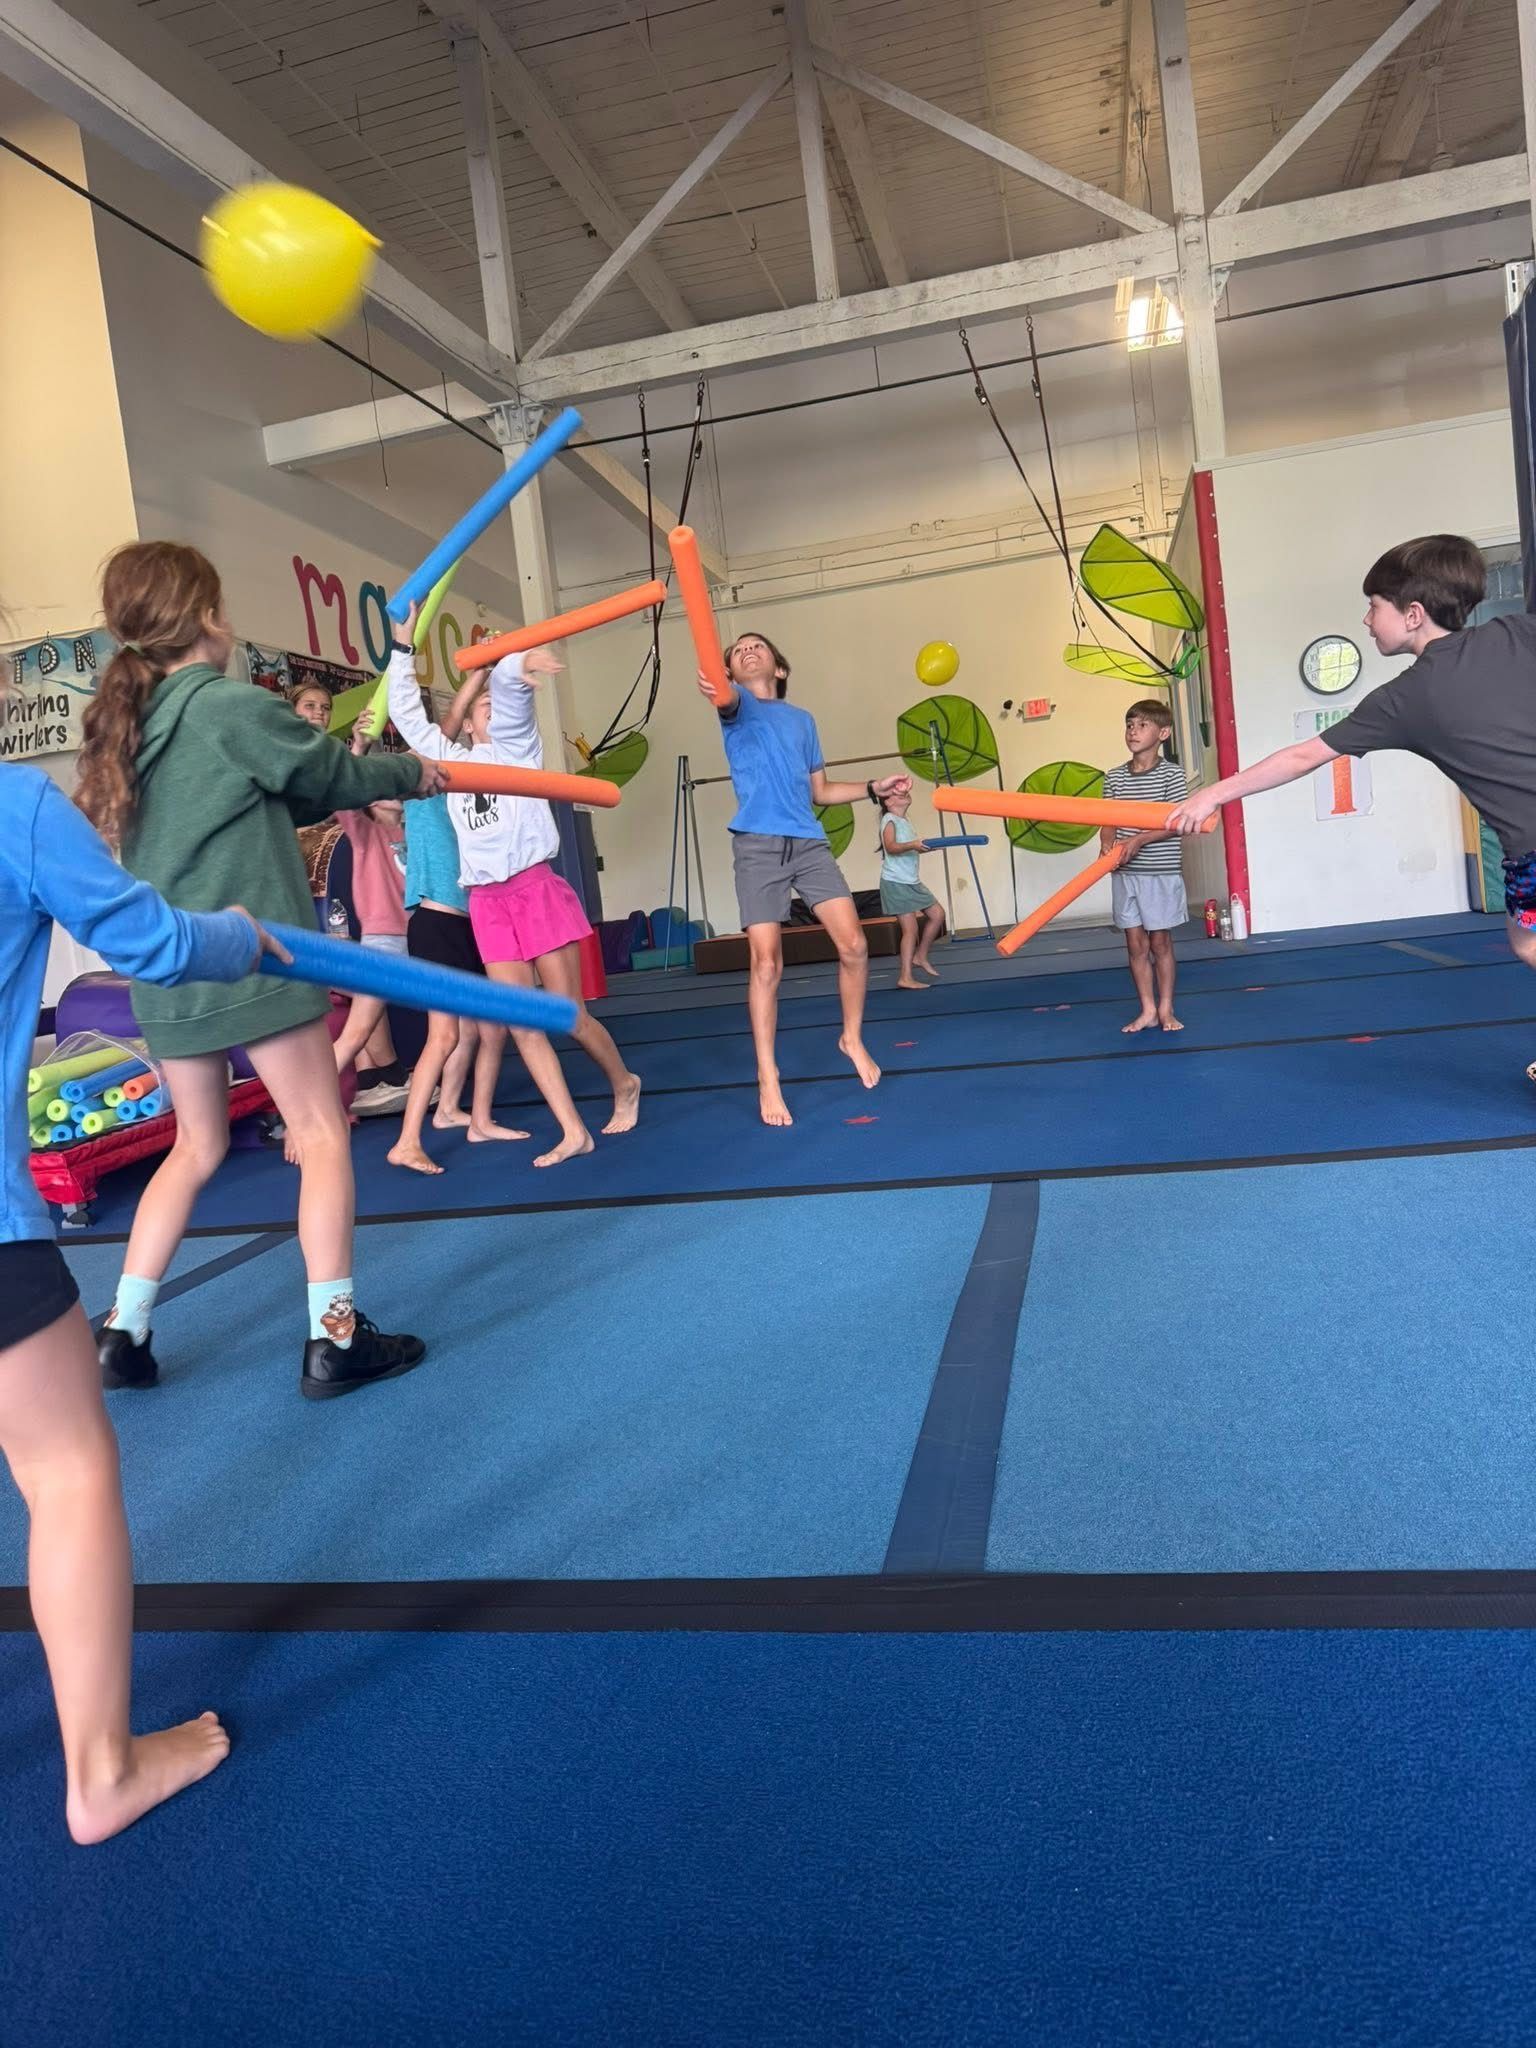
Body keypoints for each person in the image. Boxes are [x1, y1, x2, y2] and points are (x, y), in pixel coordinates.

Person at [74, 540, 443, 1400]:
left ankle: (122, 1329)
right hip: (254, 957)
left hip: (169, 973)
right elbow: (335, 771)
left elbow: (291, 793)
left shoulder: (131, 729)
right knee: (319, 1133)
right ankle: (334, 1337)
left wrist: (374, 777)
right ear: (209, 617)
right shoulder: (224, 705)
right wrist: (414, 772)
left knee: (194, 1146)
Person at [3, 759, 288, 1838]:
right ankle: (102, 1771)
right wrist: (243, 934)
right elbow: (155, 942)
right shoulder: (15, 807)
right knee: (66, 1468)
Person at [1168, 539, 1536, 977]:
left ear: (1413, 614)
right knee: (1525, 939)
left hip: (1530, 848)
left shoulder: (1402, 699)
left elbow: (1302, 757)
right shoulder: (1517, 631)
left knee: (1528, 943)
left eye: (1374, 606)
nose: (1366, 619)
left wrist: (1211, 795)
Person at [386, 615, 641, 1167]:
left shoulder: (520, 751)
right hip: (487, 903)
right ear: (471, 724)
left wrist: (512, 663)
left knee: (566, 1015)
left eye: (498, 706)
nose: (495, 712)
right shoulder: (451, 764)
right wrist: (402, 646)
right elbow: (408, 717)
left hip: (535, 890)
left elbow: (513, 699)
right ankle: (573, 1130)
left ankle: (624, 1082)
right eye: (484, 710)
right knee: (524, 1023)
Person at [697, 630, 910, 1127]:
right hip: (756, 844)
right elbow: (724, 698)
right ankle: (768, 1077)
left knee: (855, 945)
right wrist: (718, 683)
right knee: (767, 965)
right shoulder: (737, 707)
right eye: (738, 650)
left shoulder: (802, 721)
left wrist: (875, 788)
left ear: (781, 668)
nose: (748, 650)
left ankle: (851, 1037)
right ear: (730, 671)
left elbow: (822, 791)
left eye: (758, 646)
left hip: (808, 843)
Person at [387, 781, 527, 1175]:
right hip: (436, 925)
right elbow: (433, 740)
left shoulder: (463, 800)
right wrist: (460, 714)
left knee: (490, 1030)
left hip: (471, 925)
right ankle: (406, 1142)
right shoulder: (422, 797)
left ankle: (471, 1118)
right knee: (445, 1035)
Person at [1101, 699, 1189, 1035]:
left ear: (1163, 733)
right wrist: (1106, 844)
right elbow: (1107, 818)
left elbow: (1178, 822)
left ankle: (1166, 1008)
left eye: (1142, 725)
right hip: (1126, 873)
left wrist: (1138, 841)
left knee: (1160, 943)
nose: (1133, 731)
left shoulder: (1172, 774)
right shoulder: (1115, 777)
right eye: (1129, 724)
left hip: (1159, 871)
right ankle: (1148, 1010)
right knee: (1135, 945)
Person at [877, 786, 945, 989]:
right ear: (888, 802)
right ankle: (905, 976)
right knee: (910, 930)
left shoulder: (904, 821)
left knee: (938, 914)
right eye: (897, 794)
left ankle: (920, 955)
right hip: (896, 881)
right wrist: (913, 845)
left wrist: (924, 847)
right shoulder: (889, 819)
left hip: (911, 881)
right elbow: (891, 847)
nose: (904, 794)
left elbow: (907, 849)